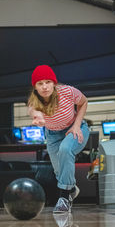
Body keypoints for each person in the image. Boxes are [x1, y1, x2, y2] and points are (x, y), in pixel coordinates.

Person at [28, 65, 89, 213]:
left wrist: (76, 126)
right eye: (40, 83)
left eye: (48, 82)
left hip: (75, 128)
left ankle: (64, 199)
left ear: (54, 83)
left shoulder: (67, 91)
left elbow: (84, 102)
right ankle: (72, 189)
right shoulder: (34, 101)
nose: (44, 87)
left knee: (65, 149)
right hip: (52, 135)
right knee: (59, 171)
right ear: (35, 87)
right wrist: (38, 117)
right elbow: (33, 111)